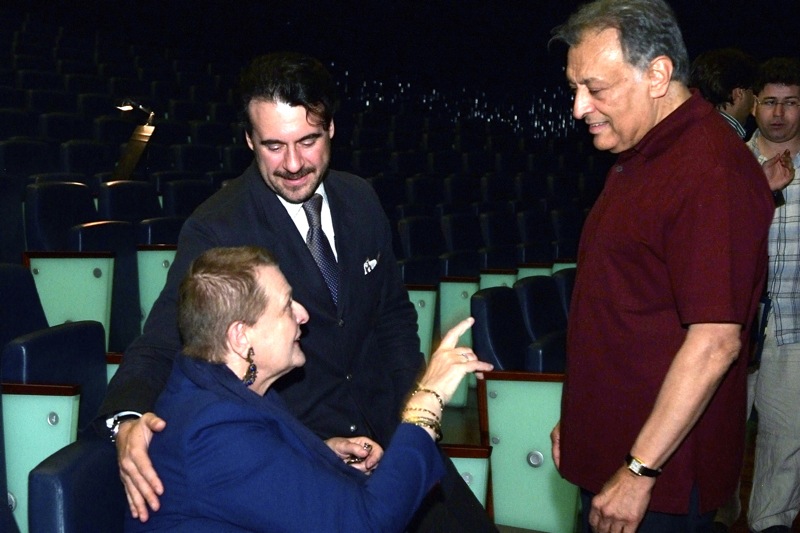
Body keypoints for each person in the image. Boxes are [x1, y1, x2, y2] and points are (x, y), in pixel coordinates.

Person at [98, 52, 496, 531]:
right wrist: (126, 421)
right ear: (248, 140)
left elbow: (392, 318)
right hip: (301, 460)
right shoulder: (217, 225)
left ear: (331, 129)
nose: (292, 164)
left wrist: (409, 415)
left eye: (307, 141)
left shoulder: (361, 199)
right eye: (273, 146)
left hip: (393, 432)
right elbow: (164, 342)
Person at [547, 1, 774, 532]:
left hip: (655, 482)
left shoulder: (709, 170)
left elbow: (715, 341)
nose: (579, 108)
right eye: (574, 89)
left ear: (657, 74)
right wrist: (581, 422)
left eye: (596, 89)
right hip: (611, 450)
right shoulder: (642, 155)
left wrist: (638, 470)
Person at [123, 246, 493, 532]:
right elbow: (368, 525)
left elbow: (259, 474)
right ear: (241, 337)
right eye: (286, 306)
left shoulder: (228, 391)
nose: (302, 314)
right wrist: (427, 400)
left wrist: (318, 456)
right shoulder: (213, 430)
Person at [745, 56, 800, 533]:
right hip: (732, 326)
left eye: (790, 102)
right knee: (713, 436)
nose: (779, 113)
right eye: (770, 102)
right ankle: (712, 517)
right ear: (754, 106)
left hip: (794, 324)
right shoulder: (728, 163)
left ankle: (771, 523)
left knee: (787, 439)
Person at [689, 47, 757, 139]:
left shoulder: (695, 129)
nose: (753, 98)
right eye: (751, 90)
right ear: (739, 93)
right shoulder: (725, 139)